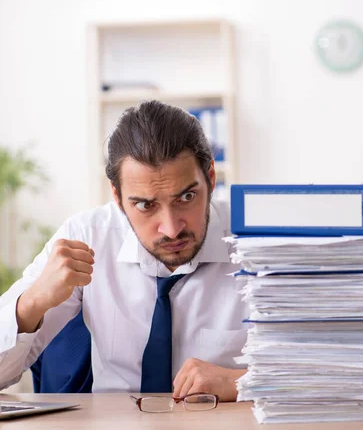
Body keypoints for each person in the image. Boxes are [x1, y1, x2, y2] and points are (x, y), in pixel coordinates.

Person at [0, 100, 248, 401]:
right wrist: (31, 303)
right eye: (146, 205)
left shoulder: (258, 241)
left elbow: (316, 372)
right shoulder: (86, 235)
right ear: (117, 197)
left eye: (187, 197)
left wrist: (241, 382)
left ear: (210, 179)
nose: (170, 228)